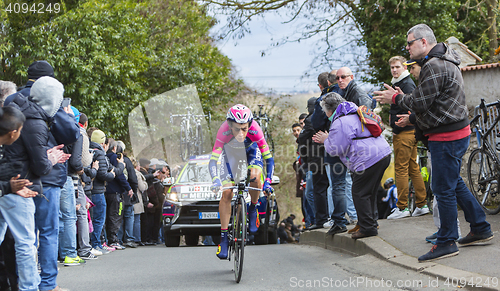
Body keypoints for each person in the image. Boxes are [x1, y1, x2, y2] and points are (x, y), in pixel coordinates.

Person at [374, 24, 493, 262]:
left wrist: (395, 97)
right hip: (451, 133)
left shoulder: (435, 65)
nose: (407, 48)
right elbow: (439, 104)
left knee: (442, 189)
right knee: (453, 183)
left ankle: (447, 241)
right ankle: (480, 227)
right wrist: (414, 118)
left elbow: (419, 102)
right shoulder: (440, 61)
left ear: (424, 42)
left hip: (447, 137)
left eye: (409, 43)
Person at [313, 93, 391, 239]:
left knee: (359, 192)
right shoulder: (354, 112)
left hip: (368, 158)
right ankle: (368, 223)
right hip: (383, 153)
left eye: (325, 111)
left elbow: (336, 149)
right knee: (369, 192)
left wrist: (326, 139)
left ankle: (368, 228)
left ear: (329, 111)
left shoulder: (340, 122)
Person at [209, 104, 275, 260]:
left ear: (249, 125)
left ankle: (253, 208)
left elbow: (268, 159)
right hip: (230, 155)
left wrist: (268, 182)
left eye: (244, 129)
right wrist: (215, 180)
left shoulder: (255, 130)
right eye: (237, 129)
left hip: (251, 152)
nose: (241, 133)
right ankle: (224, 238)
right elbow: (213, 160)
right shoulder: (223, 131)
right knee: (226, 192)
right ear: (230, 125)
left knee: (254, 175)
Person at [0, 106, 40, 291]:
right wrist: (10, 187)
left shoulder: (3, 147)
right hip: (11, 193)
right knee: (25, 243)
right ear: (12, 133)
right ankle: (29, 287)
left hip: (9, 191)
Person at [386, 56, 428, 220]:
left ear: (404, 67)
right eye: (392, 67)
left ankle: (402, 207)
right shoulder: (402, 83)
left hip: (404, 132)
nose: (394, 70)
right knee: (412, 167)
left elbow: (410, 109)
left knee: (401, 169)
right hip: (410, 132)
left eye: (397, 67)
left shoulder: (406, 84)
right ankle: (421, 204)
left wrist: (395, 129)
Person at [311, 70, 348, 235]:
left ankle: (339, 220)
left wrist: (327, 139)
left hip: (335, 149)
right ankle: (343, 219)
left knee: (338, 185)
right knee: (342, 185)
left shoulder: (330, 102)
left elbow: (316, 122)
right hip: (345, 148)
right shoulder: (347, 100)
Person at [89, 130, 118, 253]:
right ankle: (96, 244)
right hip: (98, 191)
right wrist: (112, 174)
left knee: (94, 219)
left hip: (91, 190)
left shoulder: (89, 151)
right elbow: (103, 174)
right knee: (99, 219)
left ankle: (97, 243)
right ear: (102, 142)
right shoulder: (100, 154)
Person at [297, 97, 317, 229]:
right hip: (308, 165)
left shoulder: (312, 122)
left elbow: (302, 139)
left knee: (311, 193)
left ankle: (316, 220)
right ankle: (312, 221)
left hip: (313, 164)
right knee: (307, 198)